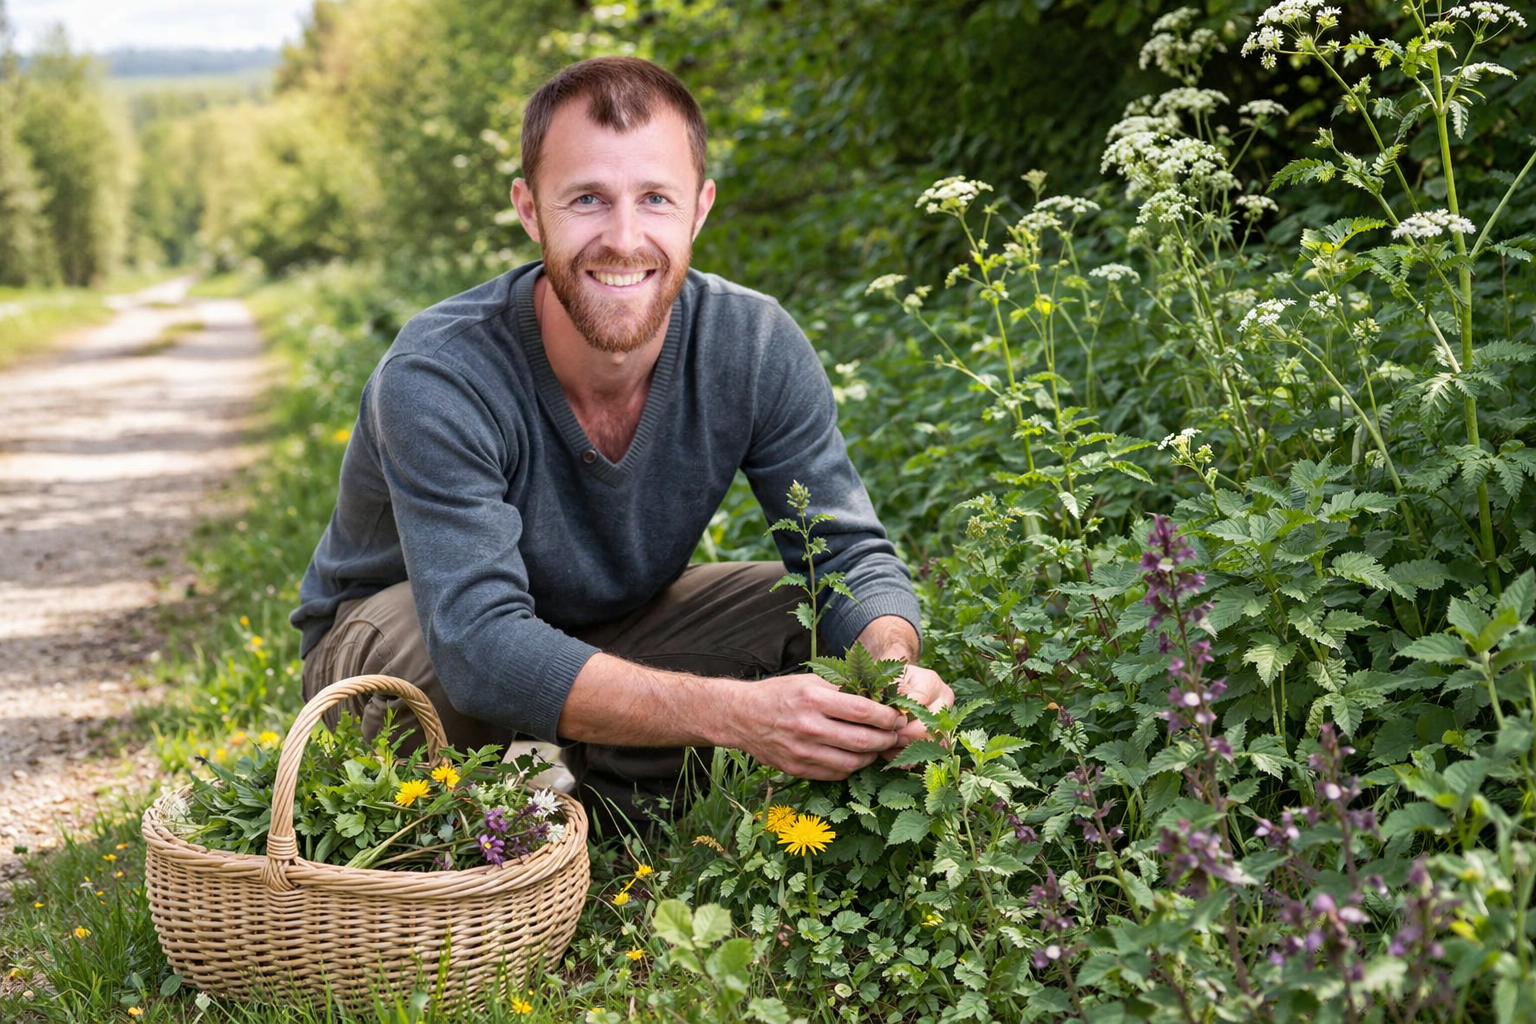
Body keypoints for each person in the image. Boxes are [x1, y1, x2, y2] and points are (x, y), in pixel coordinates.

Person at [291, 55, 953, 834]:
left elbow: (845, 556)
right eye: (587, 200)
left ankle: (583, 796)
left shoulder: (753, 343)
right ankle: (518, 803)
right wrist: (738, 715)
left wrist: (891, 666)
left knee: (817, 622)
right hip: (407, 645)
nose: (624, 238)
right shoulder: (441, 371)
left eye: (656, 199)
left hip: (611, 627)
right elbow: (478, 644)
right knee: (453, 671)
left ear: (699, 209)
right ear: (530, 211)